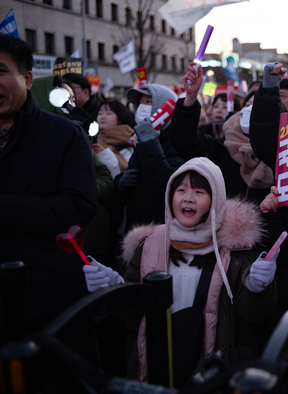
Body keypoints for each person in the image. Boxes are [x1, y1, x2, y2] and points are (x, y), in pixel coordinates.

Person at [83, 157, 277, 388]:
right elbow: (133, 312)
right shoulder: (149, 244)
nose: (188, 197)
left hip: (214, 369)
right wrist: (114, 286)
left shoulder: (236, 251)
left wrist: (257, 288)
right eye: (181, 189)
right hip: (156, 364)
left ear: (215, 199)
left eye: (199, 191)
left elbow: (252, 315)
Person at [0, 34, 97, 334]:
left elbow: (79, 206)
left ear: (27, 79)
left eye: (1, 71)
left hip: (46, 300)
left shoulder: (65, 135)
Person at [167, 62, 274, 205]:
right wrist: (190, 97)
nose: (252, 110)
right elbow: (184, 139)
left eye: (259, 106)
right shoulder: (223, 149)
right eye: (248, 106)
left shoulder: (283, 156)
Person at [116, 83, 183, 231]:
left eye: (148, 102)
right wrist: (120, 183)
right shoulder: (139, 141)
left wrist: (149, 142)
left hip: (161, 230)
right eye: (139, 103)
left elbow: (169, 186)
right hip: (135, 228)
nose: (141, 107)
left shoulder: (179, 143)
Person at [93, 99, 135, 178]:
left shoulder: (132, 140)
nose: (103, 117)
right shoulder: (94, 139)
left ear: (119, 118)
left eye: (108, 113)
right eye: (100, 113)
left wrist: (104, 154)